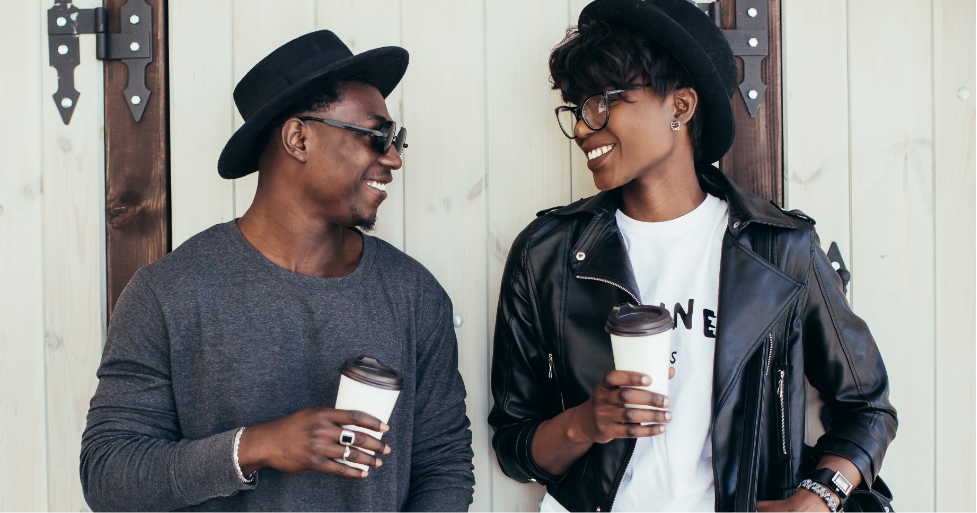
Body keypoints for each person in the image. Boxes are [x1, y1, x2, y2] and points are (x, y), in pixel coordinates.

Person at [488, 0, 897, 511]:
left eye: (601, 102)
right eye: (576, 109)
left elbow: (868, 407)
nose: (583, 129)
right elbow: (515, 447)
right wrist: (585, 422)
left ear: (680, 107)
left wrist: (817, 497)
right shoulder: (545, 255)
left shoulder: (779, 250)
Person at [80, 30, 475, 511]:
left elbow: (445, 466)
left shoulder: (413, 294)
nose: (392, 158)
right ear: (298, 138)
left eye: (397, 141)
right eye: (376, 136)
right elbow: (108, 475)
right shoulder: (169, 293)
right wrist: (258, 446)